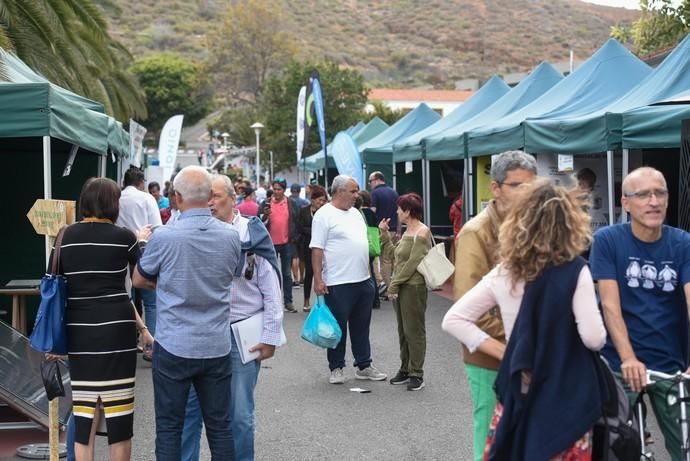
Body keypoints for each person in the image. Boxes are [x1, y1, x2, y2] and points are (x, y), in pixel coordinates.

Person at [443, 181, 607, 460]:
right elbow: (594, 338)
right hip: (566, 394)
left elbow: (454, 319)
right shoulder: (576, 270)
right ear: (570, 222)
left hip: (520, 384)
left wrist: (503, 351)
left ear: (519, 221)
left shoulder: (506, 271)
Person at [132, 165, 241, 460]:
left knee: (170, 427)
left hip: (174, 344)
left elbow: (139, 279)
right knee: (220, 427)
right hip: (216, 344)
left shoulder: (165, 237)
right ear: (208, 197)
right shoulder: (231, 236)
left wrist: (169, 284)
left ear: (176, 197)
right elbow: (232, 273)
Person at [590, 166, 690, 461]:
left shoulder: (683, 243)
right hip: (619, 363)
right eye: (644, 194)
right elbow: (610, 304)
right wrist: (628, 358)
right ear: (627, 202)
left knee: (684, 447)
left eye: (660, 193)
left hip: (669, 363)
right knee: (617, 447)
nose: (654, 201)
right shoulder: (608, 240)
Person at [181, 174, 283, 461]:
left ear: (233, 198)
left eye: (215, 196)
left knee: (239, 414)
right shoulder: (194, 230)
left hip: (242, 334)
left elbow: (271, 286)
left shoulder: (251, 233)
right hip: (200, 333)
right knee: (189, 410)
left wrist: (271, 336)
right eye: (205, 197)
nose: (209, 202)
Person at [51, 177, 154, 461]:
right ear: (113, 204)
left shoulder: (64, 237)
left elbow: (54, 287)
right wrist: (141, 243)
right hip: (116, 333)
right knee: (119, 416)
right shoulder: (125, 237)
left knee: (84, 415)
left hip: (79, 331)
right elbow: (141, 279)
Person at [452, 150, 537, 461]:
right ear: (496, 188)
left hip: (531, 354)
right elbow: (467, 306)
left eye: (531, 185)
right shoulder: (476, 232)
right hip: (490, 355)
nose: (526, 194)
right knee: (492, 439)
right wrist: (523, 338)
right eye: (517, 185)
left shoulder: (531, 227)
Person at [311, 175, 387, 384]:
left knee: (361, 326)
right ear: (339, 191)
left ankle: (364, 365)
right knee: (337, 327)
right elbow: (317, 249)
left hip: (363, 279)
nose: (357, 196)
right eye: (353, 191)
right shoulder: (323, 215)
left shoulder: (356, 214)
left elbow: (363, 241)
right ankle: (336, 367)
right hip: (337, 281)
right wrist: (318, 279)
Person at [379, 193, 431, 391]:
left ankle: (417, 373)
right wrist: (384, 235)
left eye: (400, 209)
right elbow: (394, 256)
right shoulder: (408, 230)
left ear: (408, 211)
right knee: (403, 330)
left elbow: (413, 263)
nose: (397, 212)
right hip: (401, 286)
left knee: (414, 331)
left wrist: (393, 284)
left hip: (413, 286)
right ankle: (405, 368)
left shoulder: (422, 232)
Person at [116, 166, 161, 337]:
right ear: (141, 182)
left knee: (127, 300)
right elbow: (157, 229)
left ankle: (129, 339)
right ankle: (152, 344)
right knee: (151, 303)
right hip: (144, 254)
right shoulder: (147, 198)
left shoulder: (116, 198)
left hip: (119, 255)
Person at [261, 178, 300, 313]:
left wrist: (295, 237)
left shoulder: (291, 203)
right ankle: (272, 302)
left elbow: (296, 220)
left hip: (287, 243)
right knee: (270, 274)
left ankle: (288, 301)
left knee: (287, 274)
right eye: (275, 189)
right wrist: (265, 216)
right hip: (270, 244)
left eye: (279, 189)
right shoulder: (266, 203)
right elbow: (258, 222)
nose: (276, 192)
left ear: (284, 190)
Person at [297, 185, 328, 312]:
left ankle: (322, 301)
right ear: (312, 199)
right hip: (308, 246)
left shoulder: (326, 212)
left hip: (324, 247)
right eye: (319, 200)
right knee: (309, 273)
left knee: (323, 273)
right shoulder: (304, 211)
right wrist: (313, 231)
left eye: (323, 200)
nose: (321, 202)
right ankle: (306, 300)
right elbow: (300, 227)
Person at [368, 171, 399, 296]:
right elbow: (398, 213)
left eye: (370, 181)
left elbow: (373, 211)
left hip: (380, 231)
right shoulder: (394, 192)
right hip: (393, 230)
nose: (370, 184)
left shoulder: (374, 193)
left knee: (384, 260)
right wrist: (398, 230)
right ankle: (393, 284)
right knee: (393, 259)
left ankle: (389, 289)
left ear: (376, 179)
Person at [356, 191, 381, 310]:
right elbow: (376, 227)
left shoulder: (358, 213)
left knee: (367, 272)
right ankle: (376, 299)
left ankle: (369, 299)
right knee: (371, 271)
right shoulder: (371, 212)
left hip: (362, 245)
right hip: (371, 244)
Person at [289, 183, 309, 287]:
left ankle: (295, 278)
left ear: (291, 191)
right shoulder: (305, 202)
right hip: (302, 233)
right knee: (302, 257)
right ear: (299, 191)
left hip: (290, 232)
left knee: (293, 256)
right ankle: (302, 278)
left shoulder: (287, 202)